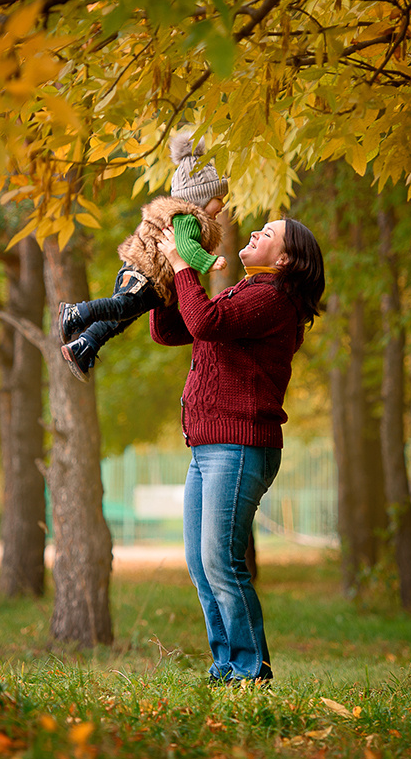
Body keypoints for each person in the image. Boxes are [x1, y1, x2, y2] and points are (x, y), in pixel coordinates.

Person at [150, 215, 325, 685]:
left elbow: (205, 322)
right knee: (201, 565)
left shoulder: (274, 298)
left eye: (267, 234)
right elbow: (173, 330)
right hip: (209, 445)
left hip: (240, 443)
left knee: (221, 563)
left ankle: (251, 672)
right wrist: (166, 280)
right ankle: (227, 665)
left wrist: (184, 265)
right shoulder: (246, 292)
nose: (253, 234)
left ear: (284, 259)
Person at [56, 133, 229, 381]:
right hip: (145, 275)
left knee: (121, 317)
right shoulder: (187, 218)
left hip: (150, 280)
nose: (222, 205)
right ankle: (76, 313)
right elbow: (185, 249)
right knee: (122, 308)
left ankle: (84, 346)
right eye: (218, 199)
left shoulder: (188, 219)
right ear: (200, 197)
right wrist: (209, 262)